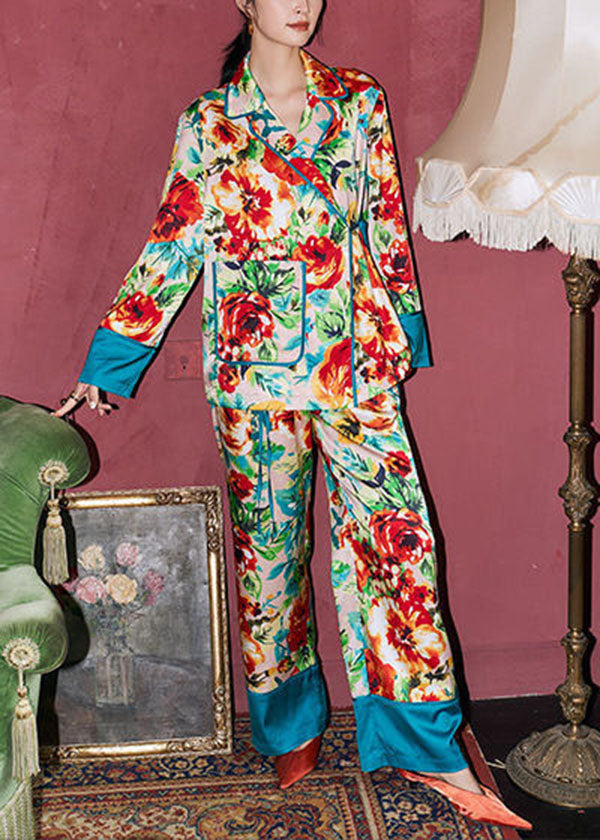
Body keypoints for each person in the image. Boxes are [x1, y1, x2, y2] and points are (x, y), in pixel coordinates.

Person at [55, 0, 530, 830]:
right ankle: (290, 729)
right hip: (253, 382)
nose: (300, 2)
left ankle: (424, 741)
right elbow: (175, 241)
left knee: (400, 544)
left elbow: (384, 224)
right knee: (270, 562)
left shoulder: (359, 100)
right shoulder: (208, 122)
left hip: (356, 368)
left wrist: (404, 330)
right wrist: (110, 363)